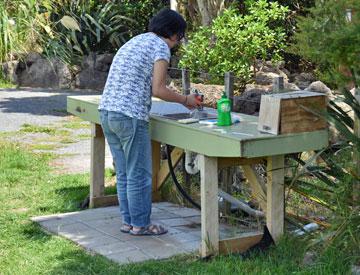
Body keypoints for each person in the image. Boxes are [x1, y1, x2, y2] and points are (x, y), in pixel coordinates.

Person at [98, 8, 202, 236]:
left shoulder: (136, 41)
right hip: (129, 116)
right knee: (139, 174)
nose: (178, 42)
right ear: (174, 34)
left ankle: (129, 222)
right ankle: (141, 225)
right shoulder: (160, 47)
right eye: (180, 37)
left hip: (107, 112)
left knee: (125, 173)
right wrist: (185, 100)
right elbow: (159, 89)